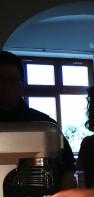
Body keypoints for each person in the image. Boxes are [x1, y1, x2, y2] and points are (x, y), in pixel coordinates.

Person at [0, 50, 76, 188]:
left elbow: (68, 170)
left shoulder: (44, 125)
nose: (4, 86)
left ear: (21, 85)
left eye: (10, 80)